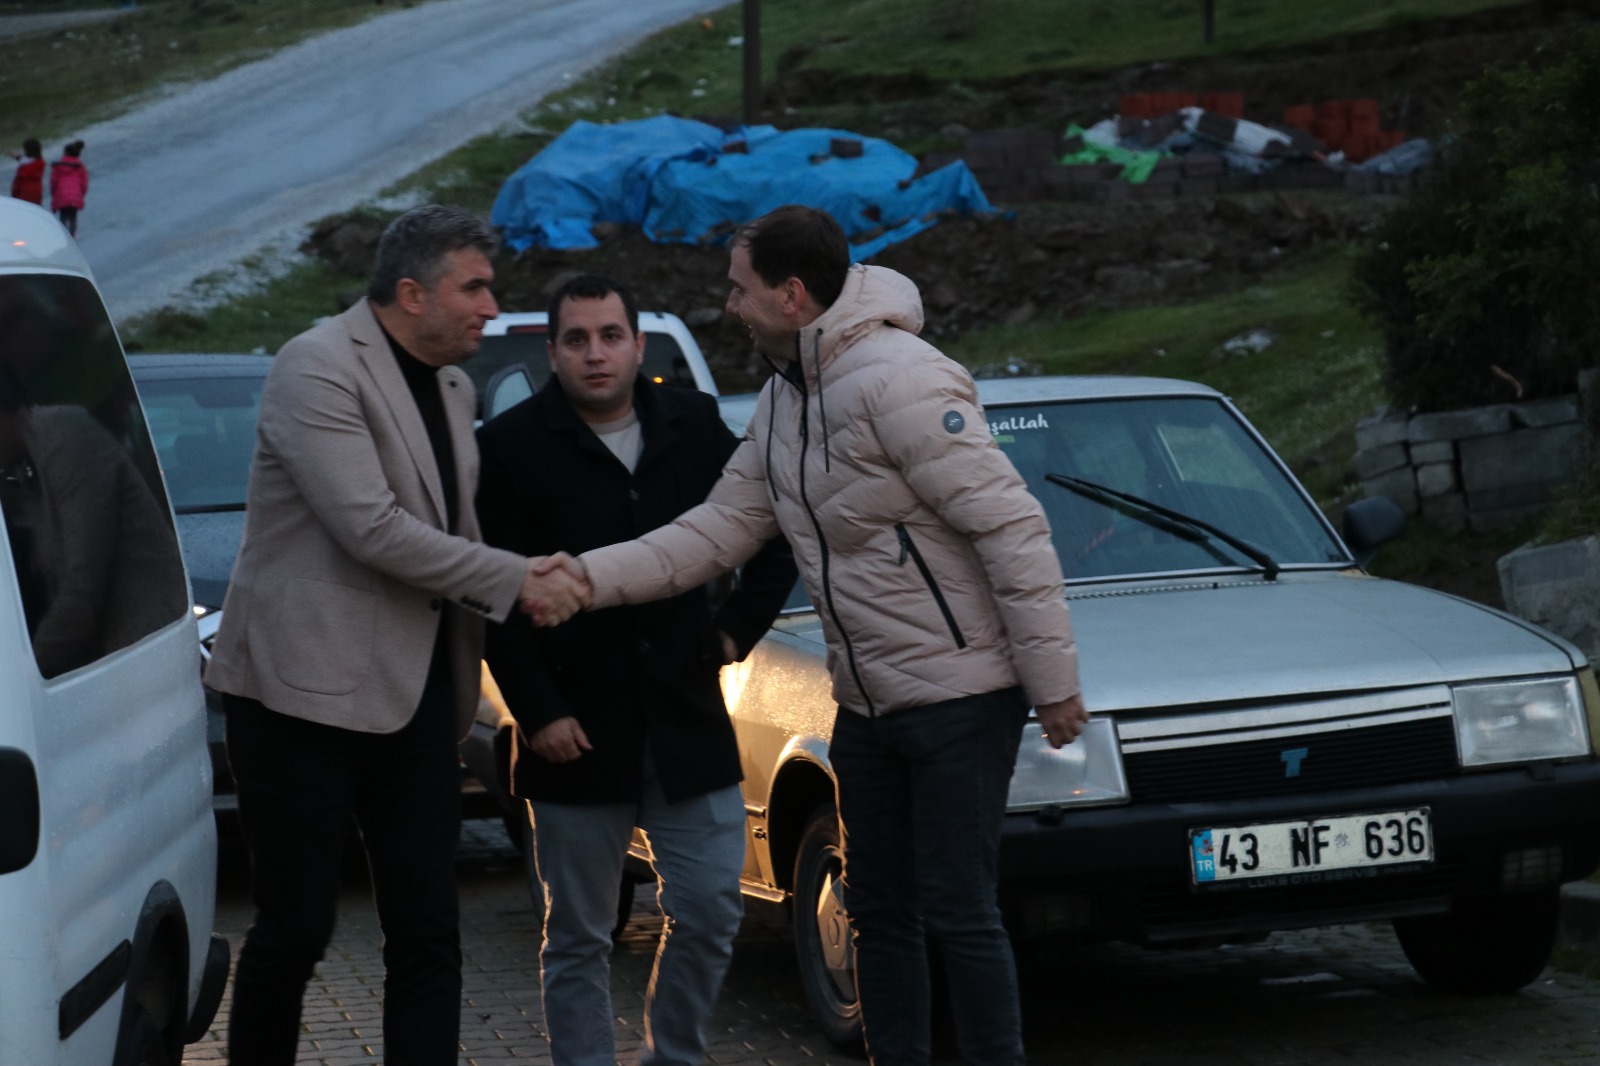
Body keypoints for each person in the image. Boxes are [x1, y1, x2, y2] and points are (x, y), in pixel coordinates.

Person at [543, 205, 1089, 1066]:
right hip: (866, 704)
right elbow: (715, 531)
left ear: (792, 295)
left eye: (740, 289)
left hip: (962, 696)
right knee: (876, 910)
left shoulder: (901, 381)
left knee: (958, 908)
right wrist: (584, 579)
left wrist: (1054, 685)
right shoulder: (786, 399)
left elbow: (1011, 528)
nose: (730, 305)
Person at [203, 204, 587, 1066]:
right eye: (475, 287)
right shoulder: (315, 365)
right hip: (301, 697)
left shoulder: (453, 386)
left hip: (419, 696)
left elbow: (455, 531)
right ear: (413, 294)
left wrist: (535, 577)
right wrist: (517, 578)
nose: (492, 307)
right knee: (296, 930)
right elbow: (371, 528)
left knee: (429, 930)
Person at [476, 274, 796, 1066]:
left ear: (638, 346)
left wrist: (735, 632)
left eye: (610, 336)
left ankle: (673, 1055)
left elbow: (773, 529)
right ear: (553, 352)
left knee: (712, 911)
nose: (596, 354)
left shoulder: (694, 424)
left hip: (687, 720)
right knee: (579, 935)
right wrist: (539, 711)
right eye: (577, 339)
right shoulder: (509, 448)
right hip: (574, 733)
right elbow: (493, 597)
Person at [48, 140, 87, 236]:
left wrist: (54, 195)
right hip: (75, 196)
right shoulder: (80, 166)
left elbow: (53, 183)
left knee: (63, 217)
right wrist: (80, 194)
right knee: (73, 217)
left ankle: (64, 237)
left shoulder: (58, 166)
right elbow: (84, 183)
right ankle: (72, 237)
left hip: (62, 195)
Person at [10, 139, 43, 205]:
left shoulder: (25, 167)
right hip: (36, 193)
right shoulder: (40, 163)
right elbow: (25, 160)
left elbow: (18, 182)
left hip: (23, 193)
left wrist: (13, 195)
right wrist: (16, 156)